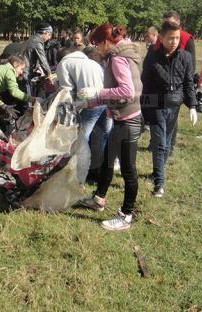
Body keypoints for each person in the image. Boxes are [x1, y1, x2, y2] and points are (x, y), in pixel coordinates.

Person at [75, 23, 143, 231]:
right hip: (121, 117)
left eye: (96, 45)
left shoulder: (117, 58)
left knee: (128, 170)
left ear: (105, 42)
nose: (95, 49)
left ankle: (126, 215)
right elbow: (111, 93)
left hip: (128, 120)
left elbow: (126, 91)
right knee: (106, 160)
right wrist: (87, 103)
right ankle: (98, 199)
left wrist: (98, 93)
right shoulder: (118, 54)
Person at [141, 21, 198, 198]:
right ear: (161, 38)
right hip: (157, 105)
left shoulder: (186, 57)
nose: (174, 41)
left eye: (177, 38)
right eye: (170, 38)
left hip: (174, 105)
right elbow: (146, 84)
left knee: (166, 143)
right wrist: (144, 109)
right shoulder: (152, 57)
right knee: (160, 143)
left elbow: (188, 82)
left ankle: (157, 172)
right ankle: (159, 184)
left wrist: (193, 105)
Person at [55, 47, 111, 182]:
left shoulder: (64, 64)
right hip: (106, 100)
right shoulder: (92, 63)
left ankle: (80, 173)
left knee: (82, 139)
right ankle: (96, 172)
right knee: (101, 137)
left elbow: (66, 91)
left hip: (90, 103)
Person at [155, 11, 196, 154]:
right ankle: (159, 145)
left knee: (172, 118)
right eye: (164, 23)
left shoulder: (186, 38)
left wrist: (190, 100)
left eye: (169, 22)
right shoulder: (161, 37)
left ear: (178, 22)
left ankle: (169, 146)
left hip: (176, 86)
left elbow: (190, 65)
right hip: (159, 89)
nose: (166, 25)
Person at [23, 23, 54, 96]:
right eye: (49, 34)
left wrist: (38, 67)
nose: (49, 37)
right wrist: (49, 74)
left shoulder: (32, 38)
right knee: (28, 95)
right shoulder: (37, 42)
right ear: (44, 32)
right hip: (25, 71)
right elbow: (43, 59)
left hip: (23, 68)